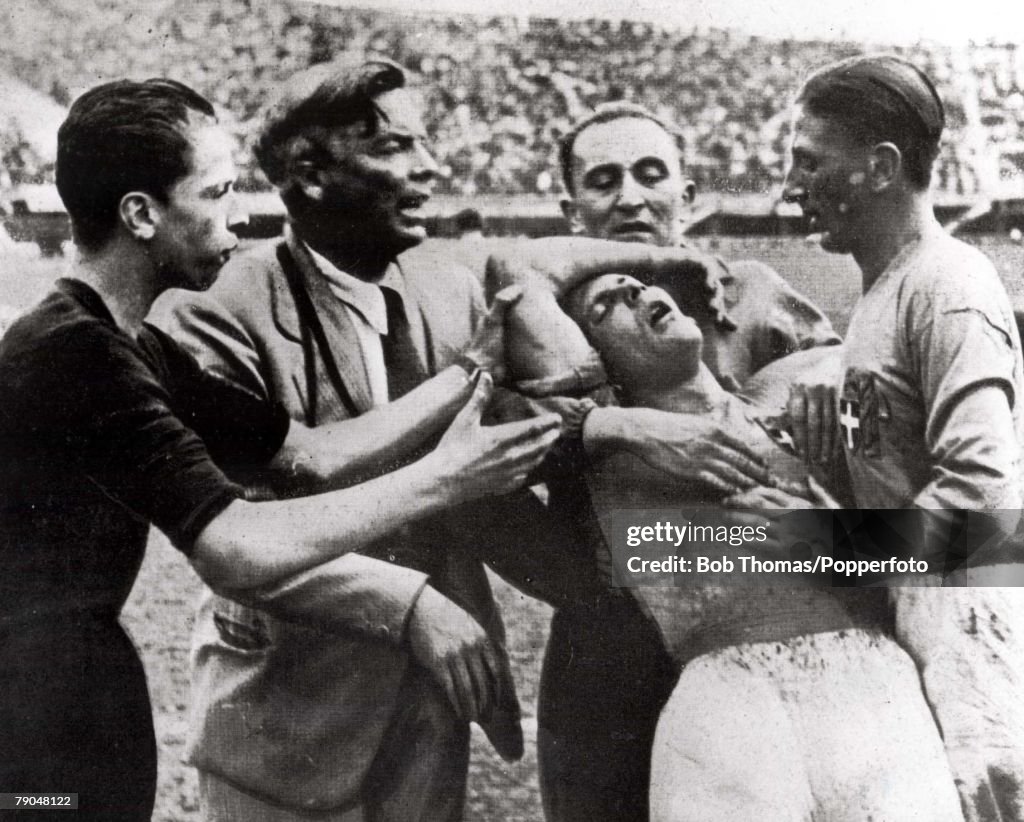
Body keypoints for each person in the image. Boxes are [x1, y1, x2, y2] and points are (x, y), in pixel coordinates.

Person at [0, 78, 559, 822]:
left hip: (78, 679)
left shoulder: (130, 343)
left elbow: (309, 455)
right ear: (141, 214)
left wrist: (468, 371)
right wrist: (443, 478)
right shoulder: (77, 352)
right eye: (217, 194)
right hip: (36, 702)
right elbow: (234, 547)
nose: (239, 218)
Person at [149, 56, 576, 822]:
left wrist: (676, 258)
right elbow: (232, 536)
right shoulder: (211, 310)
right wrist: (408, 605)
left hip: (429, 713)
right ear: (309, 172)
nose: (431, 166)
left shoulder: (447, 287)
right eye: (396, 147)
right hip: (288, 721)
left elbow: (560, 269)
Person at [487, 101, 843, 821]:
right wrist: (575, 576)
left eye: (651, 175)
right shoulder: (544, 323)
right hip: (612, 646)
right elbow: (487, 475)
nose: (629, 197)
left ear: (687, 196)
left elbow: (850, 448)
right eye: (604, 180)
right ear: (571, 209)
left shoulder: (758, 299)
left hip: (771, 624)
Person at [556, 271, 966, 821]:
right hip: (729, 713)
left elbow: (986, 544)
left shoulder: (804, 387)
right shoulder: (605, 453)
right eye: (604, 308)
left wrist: (839, 537)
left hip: (874, 694)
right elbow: (513, 277)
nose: (633, 295)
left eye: (635, 284)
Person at [783, 54, 1024, 820]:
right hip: (927, 616)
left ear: (881, 168)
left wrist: (839, 550)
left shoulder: (948, 285)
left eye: (809, 164)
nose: (791, 188)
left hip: (971, 630)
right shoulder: (887, 289)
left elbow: (985, 499)